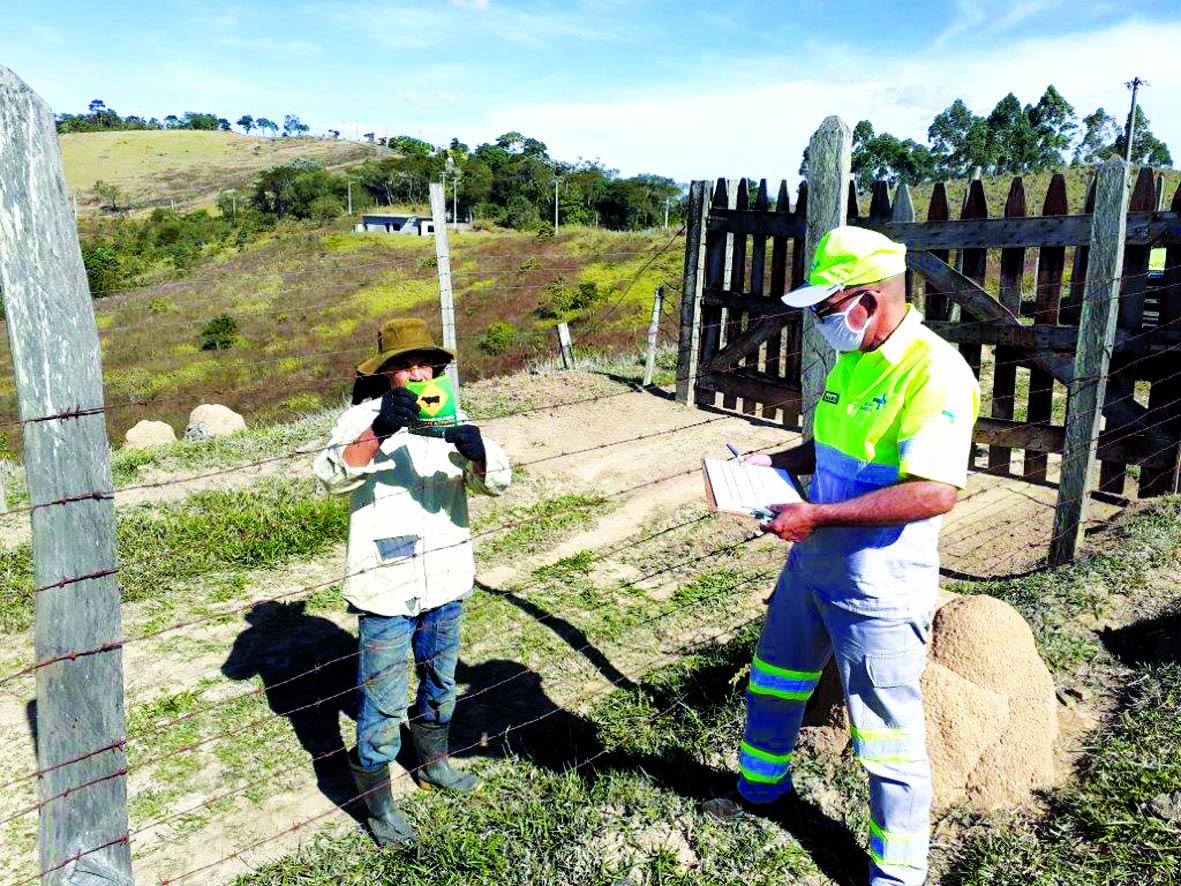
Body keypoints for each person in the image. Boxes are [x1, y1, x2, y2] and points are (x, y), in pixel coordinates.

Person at [705, 226, 979, 886]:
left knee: (885, 732)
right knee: (774, 680)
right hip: (813, 565)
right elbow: (827, 448)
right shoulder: (854, 358)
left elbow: (933, 492)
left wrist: (816, 514)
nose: (821, 323)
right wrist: (776, 461)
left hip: (878, 581)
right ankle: (760, 792)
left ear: (867, 298)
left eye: (827, 308)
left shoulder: (934, 372)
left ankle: (896, 870)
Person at [313, 317, 512, 849]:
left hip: (447, 575)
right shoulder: (360, 417)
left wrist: (478, 452)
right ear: (386, 374)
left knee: (440, 679)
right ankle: (378, 807)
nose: (419, 373)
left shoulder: (451, 413)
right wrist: (379, 431)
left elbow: (499, 481)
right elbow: (331, 476)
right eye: (405, 365)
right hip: (385, 583)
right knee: (380, 696)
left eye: (426, 363)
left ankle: (434, 763)